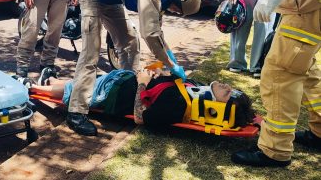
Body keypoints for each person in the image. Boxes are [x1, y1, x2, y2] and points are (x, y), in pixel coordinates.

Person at [232, 0, 320, 167]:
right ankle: (319, 132)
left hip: (306, 4)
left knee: (280, 73)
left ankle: (275, 150)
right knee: (308, 71)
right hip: (308, 2)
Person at [66, 0, 202, 136]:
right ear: (176, 6)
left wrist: (170, 59)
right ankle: (76, 112)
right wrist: (170, 65)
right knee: (91, 53)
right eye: (176, 11)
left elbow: (158, 34)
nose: (173, 12)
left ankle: (126, 88)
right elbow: (150, 34)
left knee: (130, 42)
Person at [26, 68, 255, 129]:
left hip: (115, 95)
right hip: (123, 80)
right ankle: (50, 81)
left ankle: (32, 88)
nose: (228, 86)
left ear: (217, 106)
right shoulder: (193, 90)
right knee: (84, 82)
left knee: (77, 90)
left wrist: (144, 82)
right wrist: (156, 74)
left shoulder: (177, 107)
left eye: (229, 93)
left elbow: (140, 118)